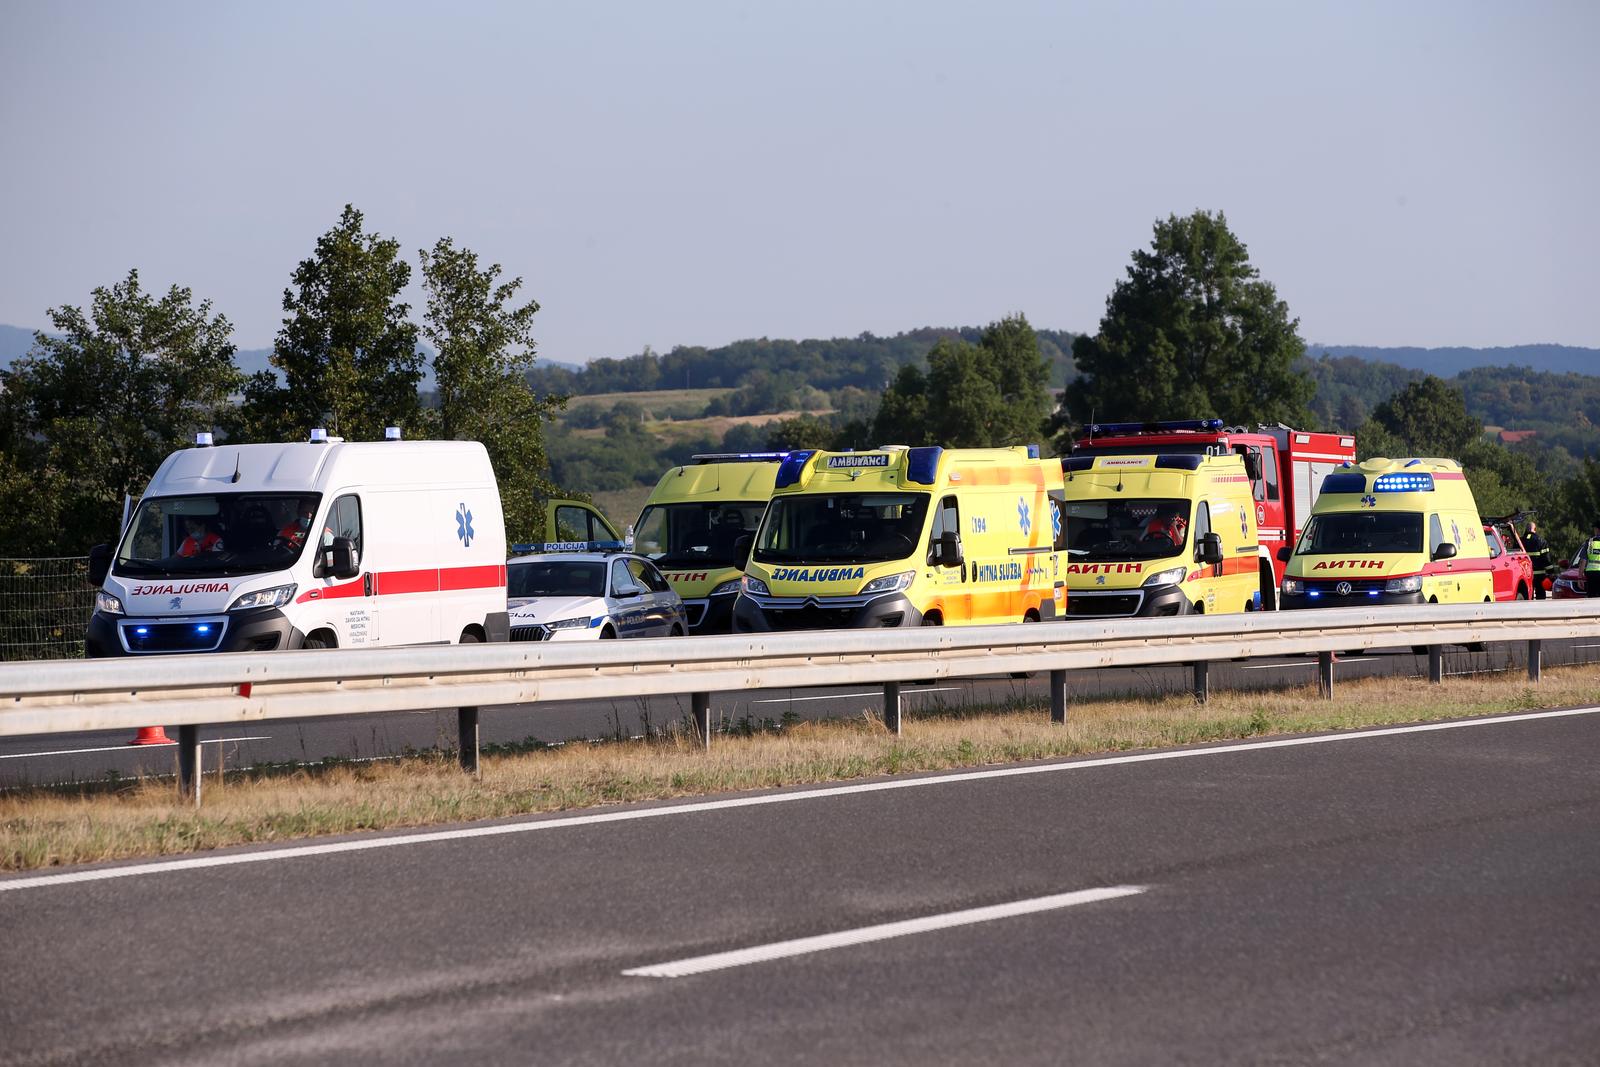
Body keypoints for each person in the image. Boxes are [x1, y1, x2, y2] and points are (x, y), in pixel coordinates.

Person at [1523, 520, 1552, 599]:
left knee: (1528, 595)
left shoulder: (1519, 541)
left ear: (1526, 529)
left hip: (1525, 575)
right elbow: (1546, 558)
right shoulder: (1541, 541)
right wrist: (1551, 572)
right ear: (1535, 529)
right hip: (1539, 575)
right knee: (1540, 595)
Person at [1585, 521, 1600, 599]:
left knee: (1592, 598)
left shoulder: (1589, 542)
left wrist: (1580, 577)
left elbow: (1582, 561)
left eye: (1594, 529)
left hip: (1591, 573)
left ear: (1597, 530)